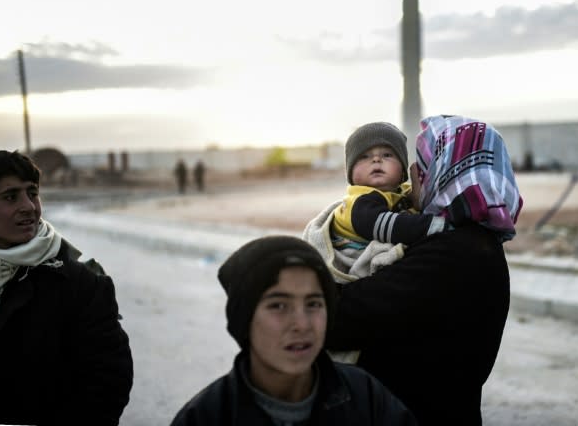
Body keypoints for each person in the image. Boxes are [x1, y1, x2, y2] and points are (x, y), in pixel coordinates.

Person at [321, 115, 524, 425]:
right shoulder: (478, 242)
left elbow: (334, 319)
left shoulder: (454, 251)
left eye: (424, 166)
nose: (414, 174)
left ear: (445, 171)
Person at [169, 235, 417, 425]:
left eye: (313, 304)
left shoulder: (367, 398)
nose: (302, 324)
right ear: (244, 318)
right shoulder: (206, 417)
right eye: (278, 305)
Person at [0, 150, 133, 425]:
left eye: (32, 193)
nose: (29, 207)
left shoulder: (80, 284)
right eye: (11, 197)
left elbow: (107, 382)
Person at [304, 121, 450, 283]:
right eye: (364, 156)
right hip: (352, 260)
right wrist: (437, 225)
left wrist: (418, 195)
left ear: (402, 170)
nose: (376, 160)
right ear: (351, 173)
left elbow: (411, 203)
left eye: (387, 155)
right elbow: (387, 225)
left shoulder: (400, 192)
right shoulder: (359, 201)